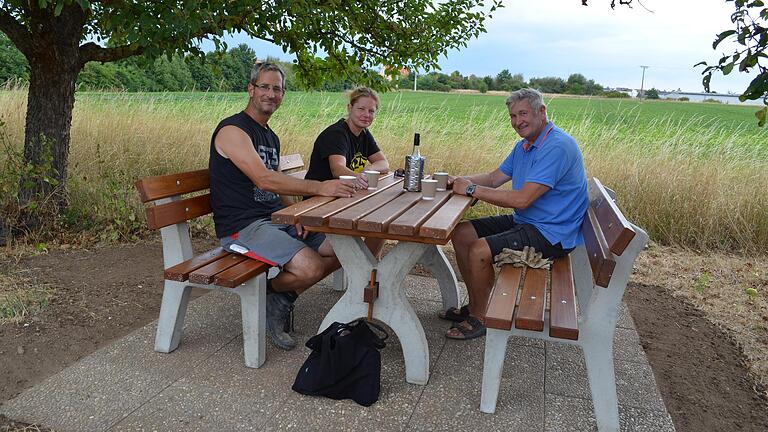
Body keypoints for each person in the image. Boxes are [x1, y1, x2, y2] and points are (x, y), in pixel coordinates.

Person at [209, 61, 356, 350]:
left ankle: (280, 296)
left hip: (273, 220)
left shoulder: (269, 136)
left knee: (347, 249)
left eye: (277, 89)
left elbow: (277, 180)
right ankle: (268, 294)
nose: (271, 93)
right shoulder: (232, 130)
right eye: (264, 86)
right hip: (242, 227)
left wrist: (294, 214)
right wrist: (321, 186)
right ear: (251, 89)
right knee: (311, 268)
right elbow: (264, 180)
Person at [444, 88, 589, 340]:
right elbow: (493, 178)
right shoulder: (525, 146)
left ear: (541, 112)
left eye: (523, 113)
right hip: (530, 222)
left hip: (551, 234)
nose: (517, 121)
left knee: (479, 249)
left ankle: (479, 318)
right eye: (512, 116)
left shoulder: (557, 147)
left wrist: (470, 189)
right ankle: (478, 303)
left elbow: (522, 200)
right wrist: (458, 179)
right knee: (462, 233)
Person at [305, 86, 390, 254]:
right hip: (318, 208)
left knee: (381, 225)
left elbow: (383, 163)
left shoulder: (364, 134)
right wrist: (360, 177)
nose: (366, 115)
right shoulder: (337, 133)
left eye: (371, 111)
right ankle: (368, 274)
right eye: (361, 109)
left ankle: (368, 275)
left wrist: (365, 172)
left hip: (342, 203)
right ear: (349, 108)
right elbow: (338, 169)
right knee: (376, 229)